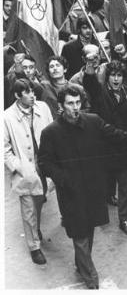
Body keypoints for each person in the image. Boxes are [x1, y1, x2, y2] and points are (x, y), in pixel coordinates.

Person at [38, 84, 127, 289]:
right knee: (80, 232)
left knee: (89, 229)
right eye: (70, 103)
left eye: (78, 102)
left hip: (93, 188)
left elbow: (117, 134)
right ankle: (90, 275)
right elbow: (44, 163)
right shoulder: (51, 132)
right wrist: (63, 179)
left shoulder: (92, 121)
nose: (75, 107)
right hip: (71, 192)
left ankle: (80, 262)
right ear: (61, 105)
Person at [83, 59, 127, 236]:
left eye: (119, 75)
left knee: (125, 185)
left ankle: (125, 219)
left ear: (123, 77)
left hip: (124, 147)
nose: (116, 79)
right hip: (103, 147)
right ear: (107, 77)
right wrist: (90, 68)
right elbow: (89, 83)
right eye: (112, 75)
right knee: (104, 181)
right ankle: (101, 207)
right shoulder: (99, 92)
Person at [4, 79, 54, 265]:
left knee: (40, 200)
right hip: (25, 168)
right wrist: (18, 167)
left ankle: (36, 228)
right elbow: (4, 148)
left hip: (45, 164)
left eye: (33, 91)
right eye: (27, 92)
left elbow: (53, 131)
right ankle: (34, 246)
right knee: (28, 208)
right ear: (17, 96)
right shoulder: (7, 117)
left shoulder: (43, 108)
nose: (33, 95)